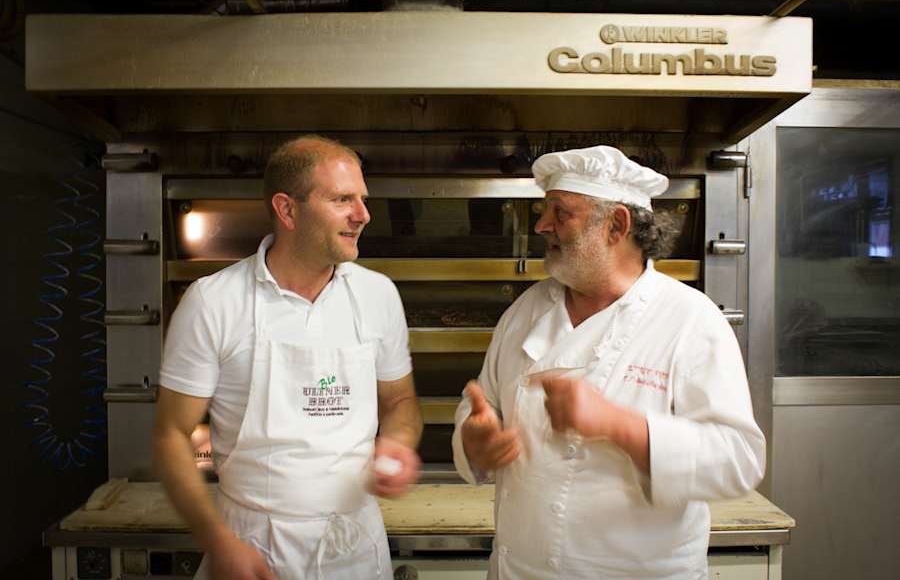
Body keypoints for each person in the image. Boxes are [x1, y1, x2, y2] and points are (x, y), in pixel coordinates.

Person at [452, 145, 766, 579]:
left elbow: (738, 461)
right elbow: (483, 406)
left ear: (616, 225)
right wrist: (476, 441)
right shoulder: (525, 311)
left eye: (561, 213)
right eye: (545, 212)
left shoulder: (690, 320)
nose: (542, 225)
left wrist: (617, 425)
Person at [154, 135, 423, 580]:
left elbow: (400, 404)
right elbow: (171, 435)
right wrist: (220, 546)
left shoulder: (378, 294)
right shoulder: (214, 302)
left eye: (362, 199)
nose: (363, 215)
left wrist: (397, 443)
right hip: (254, 546)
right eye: (342, 199)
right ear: (287, 209)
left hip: (355, 544)